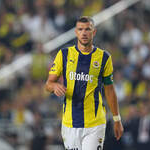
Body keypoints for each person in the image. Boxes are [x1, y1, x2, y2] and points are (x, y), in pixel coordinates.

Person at [45, 16, 124, 150]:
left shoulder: (104, 58)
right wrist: (54, 86)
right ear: (76, 32)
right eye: (80, 29)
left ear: (94, 32)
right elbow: (48, 84)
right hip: (70, 123)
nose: (84, 33)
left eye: (88, 29)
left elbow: (109, 90)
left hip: (95, 123)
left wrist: (117, 119)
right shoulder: (64, 54)